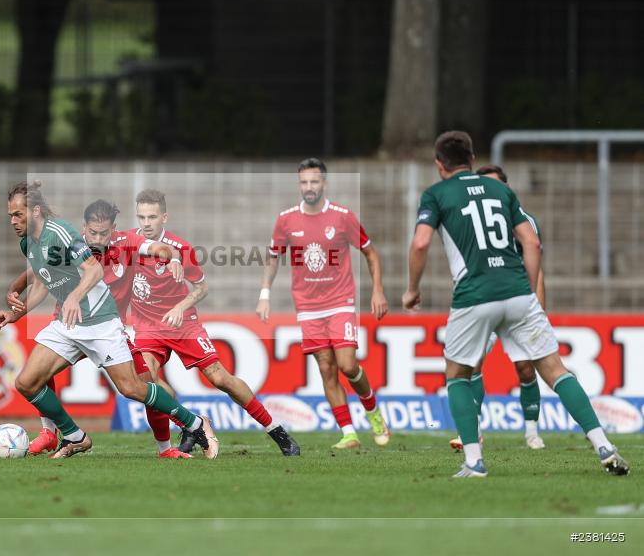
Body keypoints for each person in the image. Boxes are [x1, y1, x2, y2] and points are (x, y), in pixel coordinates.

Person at [403, 130, 629, 478]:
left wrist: (411, 289)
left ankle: (475, 461)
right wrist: (526, 284)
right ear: (473, 159)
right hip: (518, 293)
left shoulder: (436, 194)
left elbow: (420, 244)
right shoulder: (502, 190)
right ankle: (603, 444)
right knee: (555, 370)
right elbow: (532, 242)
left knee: (457, 374)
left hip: (474, 295)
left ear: (438, 165)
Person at [0, 181, 219, 459]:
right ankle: (74, 437)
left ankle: (194, 424)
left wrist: (75, 296)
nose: (13, 221)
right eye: (11, 216)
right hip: (69, 323)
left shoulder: (61, 233)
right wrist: (15, 313)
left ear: (36, 211)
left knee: (133, 388)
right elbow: (42, 282)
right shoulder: (28, 240)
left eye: (18, 214)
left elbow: (94, 272)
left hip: (100, 321)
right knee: (27, 382)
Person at [129, 189, 301, 457]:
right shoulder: (129, 243)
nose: (146, 223)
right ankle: (190, 423)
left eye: (152, 217)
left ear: (164, 217)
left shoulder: (181, 249)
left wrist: (180, 306)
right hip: (148, 326)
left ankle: (278, 431)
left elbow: (201, 288)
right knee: (146, 381)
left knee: (220, 378)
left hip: (182, 324)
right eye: (141, 217)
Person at [257, 158, 391, 449]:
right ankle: (349, 433)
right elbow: (273, 256)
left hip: (340, 302)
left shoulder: (342, 217)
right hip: (307, 307)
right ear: (299, 185)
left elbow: (371, 253)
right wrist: (264, 293)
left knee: (347, 365)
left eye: (314, 182)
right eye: (304, 182)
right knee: (326, 369)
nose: (309, 187)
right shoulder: (286, 220)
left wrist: (377, 290)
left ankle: (373, 412)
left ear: (324, 184)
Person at [449, 164, 547, 451]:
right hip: (482, 301)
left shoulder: (522, 221)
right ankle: (473, 430)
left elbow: (538, 269)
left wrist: (537, 306)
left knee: (526, 368)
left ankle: (532, 431)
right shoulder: (468, 221)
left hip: (516, 300)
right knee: (471, 362)